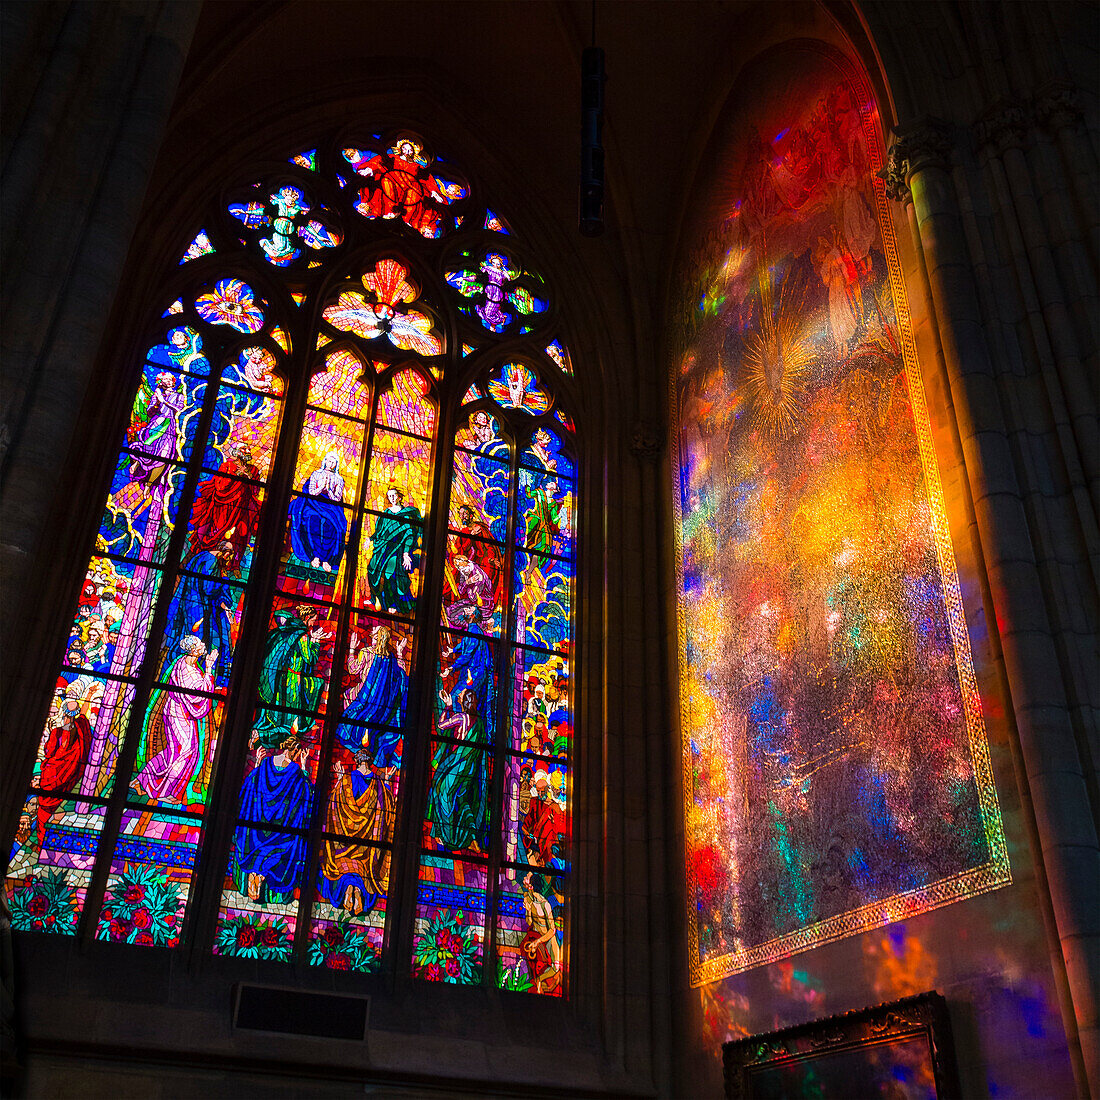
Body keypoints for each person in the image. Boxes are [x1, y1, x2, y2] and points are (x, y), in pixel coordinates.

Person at [130, 635, 216, 806]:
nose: (203, 645)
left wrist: (205, 670)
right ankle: (162, 791)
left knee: (175, 751)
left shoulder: (189, 665)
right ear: (193, 650)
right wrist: (208, 669)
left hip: (182, 713)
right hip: (178, 713)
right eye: (200, 644)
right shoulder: (186, 667)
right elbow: (195, 693)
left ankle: (142, 780)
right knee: (185, 751)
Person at [231, 727, 312, 903]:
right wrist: (305, 767)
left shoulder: (266, 764)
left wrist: (258, 763)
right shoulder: (296, 772)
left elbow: (250, 787)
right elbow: (305, 796)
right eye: (299, 754)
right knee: (283, 846)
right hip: (281, 829)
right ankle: (259, 877)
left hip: (257, 825)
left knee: (256, 844)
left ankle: (255, 875)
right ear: (296, 751)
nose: (299, 757)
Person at [319, 748, 394, 913]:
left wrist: (340, 778)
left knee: (343, 862)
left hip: (346, 839)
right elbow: (385, 810)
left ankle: (347, 890)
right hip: (367, 844)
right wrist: (387, 782)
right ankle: (358, 890)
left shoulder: (347, 779)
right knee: (365, 866)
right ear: (370, 761)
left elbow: (335, 804)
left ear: (357, 760)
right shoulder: (377, 783)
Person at [20, 682, 92, 847]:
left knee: (44, 812)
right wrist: (87, 697)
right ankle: (46, 843)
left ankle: (41, 842)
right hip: (70, 774)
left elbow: (49, 752)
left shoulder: (57, 732)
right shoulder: (80, 730)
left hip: (51, 777)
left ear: (65, 715)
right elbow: (83, 716)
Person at [347, 137, 461, 238]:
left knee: (414, 193)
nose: (407, 151)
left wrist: (434, 193)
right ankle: (385, 211)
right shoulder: (392, 158)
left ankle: (409, 219)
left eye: (410, 150)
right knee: (386, 183)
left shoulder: (417, 166)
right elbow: (378, 162)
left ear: (413, 152)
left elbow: (428, 179)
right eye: (405, 148)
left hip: (410, 186)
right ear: (400, 148)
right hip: (391, 179)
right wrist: (369, 169)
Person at [424, 688, 490, 853]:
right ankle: (469, 837)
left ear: (464, 700)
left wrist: (447, 706)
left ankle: (449, 837)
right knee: (461, 801)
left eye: (460, 695)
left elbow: (441, 726)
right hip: (470, 770)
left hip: (456, 765)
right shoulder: (480, 722)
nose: (458, 695)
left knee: (443, 793)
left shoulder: (461, 717)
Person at [167, 539, 238, 684]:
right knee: (196, 639)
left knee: (187, 637)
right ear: (223, 551)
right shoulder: (211, 561)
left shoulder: (200, 557)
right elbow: (208, 588)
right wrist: (223, 581)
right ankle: (187, 677)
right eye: (228, 554)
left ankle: (181, 673)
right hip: (197, 607)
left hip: (189, 603)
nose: (227, 559)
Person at [254, 605, 329, 738]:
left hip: (282, 675)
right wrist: (316, 643)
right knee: (293, 706)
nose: (313, 624)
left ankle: (284, 727)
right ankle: (274, 733)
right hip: (293, 677)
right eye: (313, 620)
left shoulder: (291, 630)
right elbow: (309, 659)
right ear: (307, 618)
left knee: (288, 703)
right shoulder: (302, 635)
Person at [187, 441, 261, 572]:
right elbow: (220, 486)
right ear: (237, 453)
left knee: (240, 535)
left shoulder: (253, 470)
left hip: (241, 509)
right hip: (223, 508)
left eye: (247, 451)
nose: (246, 454)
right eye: (244, 450)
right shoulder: (226, 466)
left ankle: (231, 565)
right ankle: (203, 561)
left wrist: (249, 476)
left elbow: (255, 491)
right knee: (216, 533)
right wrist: (238, 475)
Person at [335, 626, 408, 757]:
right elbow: (402, 674)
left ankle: (353, 734)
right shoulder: (390, 658)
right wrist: (400, 653)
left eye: (375, 637)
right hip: (382, 701)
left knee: (348, 696)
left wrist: (351, 650)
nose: (373, 640)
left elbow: (353, 669)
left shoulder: (366, 652)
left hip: (363, 692)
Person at [287, 451, 347, 573]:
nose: (330, 464)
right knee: (312, 520)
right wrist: (321, 487)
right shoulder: (316, 474)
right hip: (313, 504)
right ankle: (314, 556)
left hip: (331, 507)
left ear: (336, 464)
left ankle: (326, 559)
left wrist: (329, 489)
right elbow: (311, 492)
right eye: (328, 461)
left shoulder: (339, 479)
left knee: (332, 526)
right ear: (324, 461)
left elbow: (337, 498)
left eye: (333, 462)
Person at [128, 371, 188, 491]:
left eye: (170, 379)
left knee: (164, 455)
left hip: (170, 427)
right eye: (165, 379)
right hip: (156, 424)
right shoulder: (157, 395)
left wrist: (164, 401)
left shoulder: (179, 396)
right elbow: (149, 412)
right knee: (147, 448)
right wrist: (157, 402)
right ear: (160, 382)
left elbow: (180, 411)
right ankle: (137, 463)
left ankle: (149, 484)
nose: (169, 381)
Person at [366, 486, 421, 614]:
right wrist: (370, 539)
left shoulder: (407, 514)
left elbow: (409, 534)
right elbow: (379, 531)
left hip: (398, 549)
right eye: (390, 496)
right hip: (382, 548)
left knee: (390, 575)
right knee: (372, 569)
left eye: (394, 495)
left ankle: (393, 603)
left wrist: (406, 553)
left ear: (399, 496)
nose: (392, 498)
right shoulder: (386, 513)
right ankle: (375, 599)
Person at [520, 871, 562, 994]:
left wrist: (539, 941)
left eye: (528, 879)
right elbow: (529, 922)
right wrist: (528, 911)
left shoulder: (545, 905)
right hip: (535, 933)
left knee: (556, 966)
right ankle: (535, 980)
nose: (525, 879)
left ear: (532, 887)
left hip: (548, 937)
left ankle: (540, 979)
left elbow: (552, 930)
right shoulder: (527, 897)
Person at [445, 554, 494, 628]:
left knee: (455, 614)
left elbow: (476, 594)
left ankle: (471, 625)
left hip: (484, 603)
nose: (462, 571)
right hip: (473, 603)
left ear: (467, 564)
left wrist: (470, 607)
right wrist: (467, 582)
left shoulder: (478, 574)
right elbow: (461, 591)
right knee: (452, 611)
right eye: (459, 569)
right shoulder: (464, 573)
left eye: (463, 568)